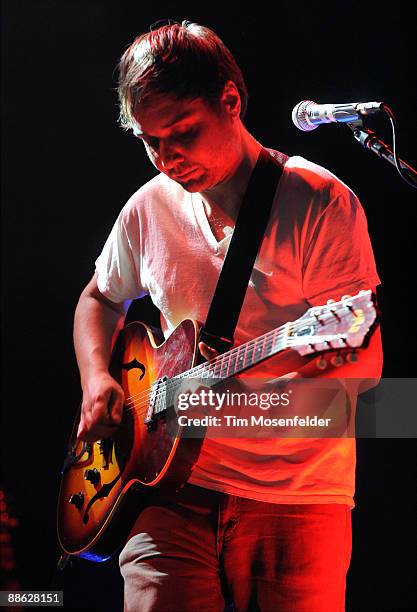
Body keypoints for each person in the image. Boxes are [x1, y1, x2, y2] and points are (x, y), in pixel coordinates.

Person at [74, 20, 383, 612]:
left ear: (231, 101)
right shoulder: (149, 207)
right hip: (166, 491)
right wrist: (97, 380)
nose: (167, 159)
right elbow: (99, 298)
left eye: (182, 133)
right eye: (149, 141)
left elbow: (364, 372)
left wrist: (243, 395)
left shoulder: (317, 201)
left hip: (297, 498)